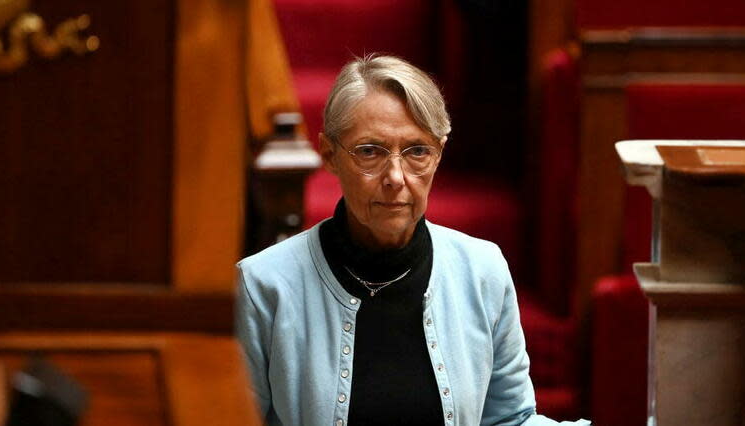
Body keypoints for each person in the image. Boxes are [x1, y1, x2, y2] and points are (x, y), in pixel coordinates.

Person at [235, 54, 589, 426]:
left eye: (417, 151)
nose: (395, 177)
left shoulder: (481, 270)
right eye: (370, 151)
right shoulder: (264, 284)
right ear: (329, 154)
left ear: (439, 154)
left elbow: (508, 420)